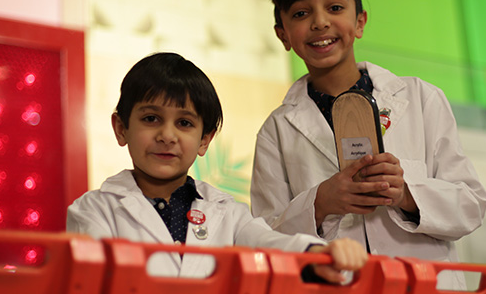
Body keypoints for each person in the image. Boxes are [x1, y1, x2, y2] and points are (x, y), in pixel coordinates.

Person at [250, 0, 486, 290]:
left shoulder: (421, 98)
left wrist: (406, 194)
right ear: (283, 34)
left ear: (360, 21)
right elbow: (262, 237)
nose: (320, 23)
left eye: (335, 8)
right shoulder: (276, 131)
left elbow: (471, 206)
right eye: (301, 13)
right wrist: (319, 204)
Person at [67, 52, 367, 281]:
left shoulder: (229, 214)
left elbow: (270, 244)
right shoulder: (93, 211)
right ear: (121, 128)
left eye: (184, 123)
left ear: (204, 140)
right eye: (151, 119)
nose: (167, 136)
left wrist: (318, 252)